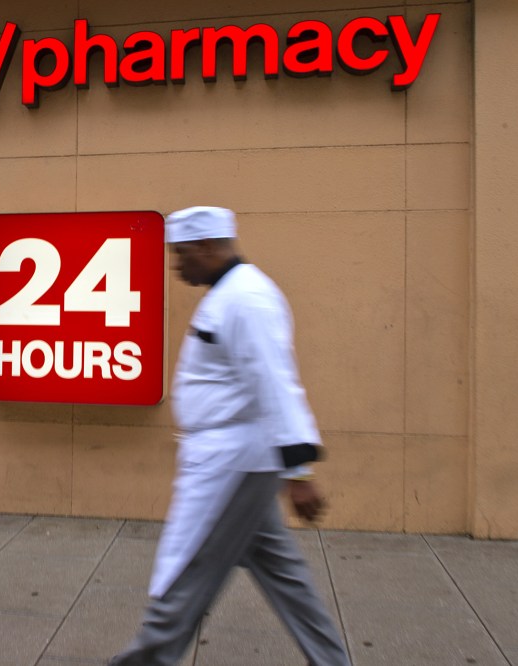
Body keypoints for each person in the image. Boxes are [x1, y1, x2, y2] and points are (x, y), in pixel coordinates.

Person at [109, 206, 350, 666]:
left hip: (231, 467)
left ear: (206, 247)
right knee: (286, 577)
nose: (176, 265)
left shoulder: (246, 299)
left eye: (181, 254)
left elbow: (274, 383)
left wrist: (299, 472)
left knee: (188, 570)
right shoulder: (230, 293)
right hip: (241, 460)